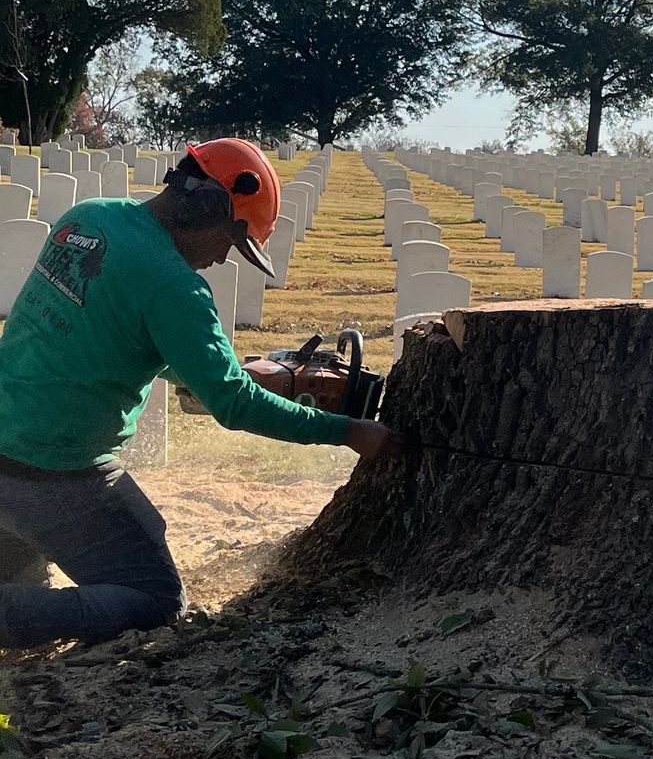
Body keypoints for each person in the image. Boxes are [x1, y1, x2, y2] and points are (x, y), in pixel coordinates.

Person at [0, 138, 402, 647]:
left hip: (5, 441)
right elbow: (233, 404)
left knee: (22, 571)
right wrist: (348, 431)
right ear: (208, 205)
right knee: (154, 601)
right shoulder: (175, 287)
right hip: (54, 473)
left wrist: (213, 370)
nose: (219, 259)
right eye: (230, 241)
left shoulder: (88, 218)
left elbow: (105, 333)